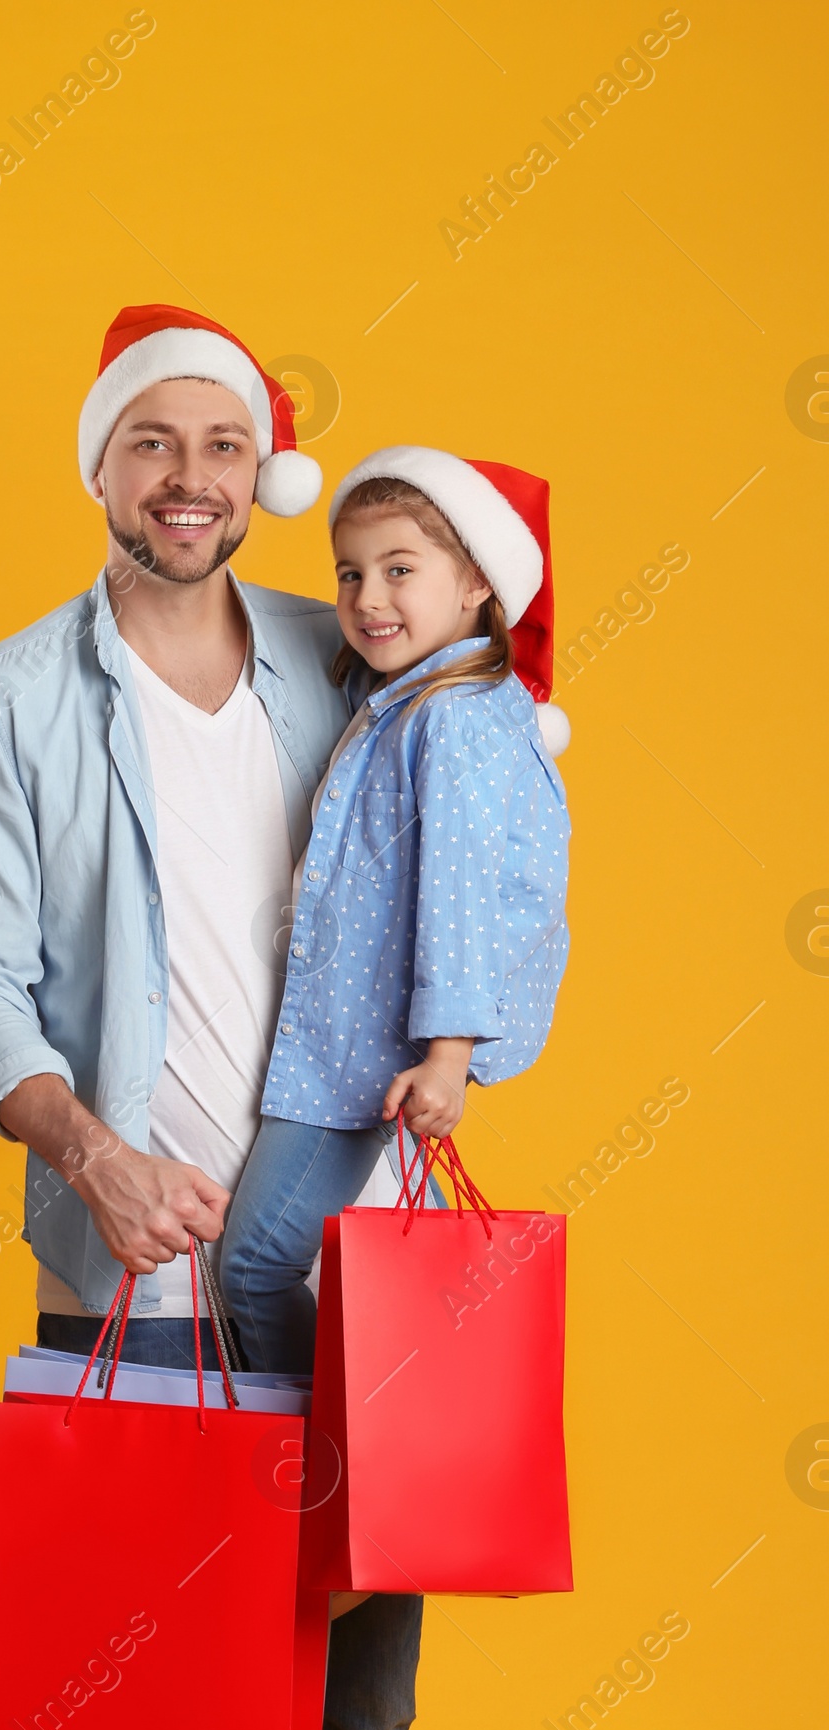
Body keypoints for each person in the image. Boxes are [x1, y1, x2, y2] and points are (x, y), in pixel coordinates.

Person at [0, 304, 421, 1730]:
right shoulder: (9, 698)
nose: (190, 478)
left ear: (259, 471)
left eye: (223, 444)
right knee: (99, 1684)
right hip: (116, 1257)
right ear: (98, 467)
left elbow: (468, 799)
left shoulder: (332, 653)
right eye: (153, 444)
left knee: (349, 1699)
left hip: (343, 1259)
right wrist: (88, 1151)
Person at [220, 446, 571, 1371]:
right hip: (366, 1038)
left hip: (365, 1046)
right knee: (404, 1285)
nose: (369, 597)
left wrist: (448, 1055)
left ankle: (322, 1460)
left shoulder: (450, 716)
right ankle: (374, 1454)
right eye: (350, 573)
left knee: (255, 1262)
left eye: (399, 571)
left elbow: (459, 892)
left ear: (476, 588)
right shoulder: (414, 699)